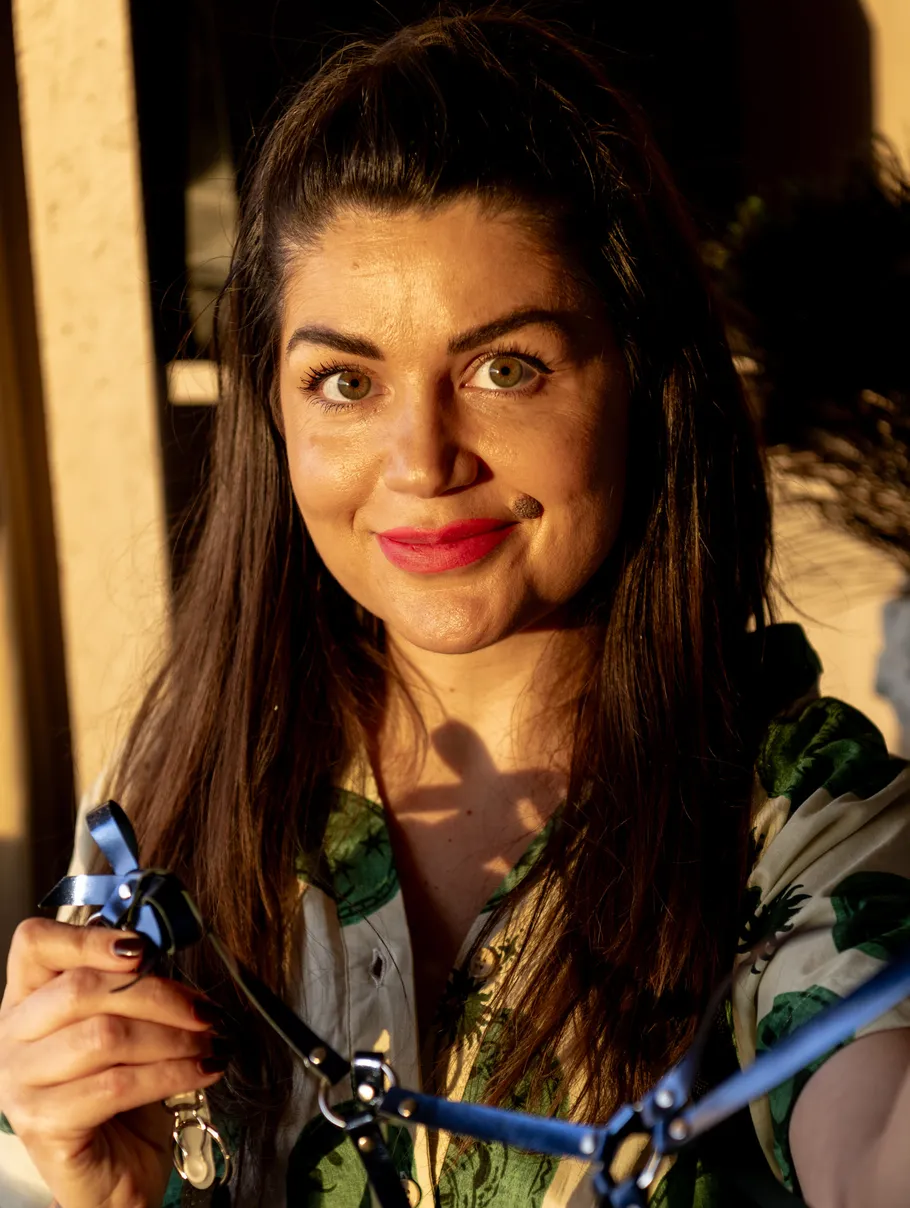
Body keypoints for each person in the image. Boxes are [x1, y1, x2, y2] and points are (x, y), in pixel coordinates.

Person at [2, 9, 910, 1207]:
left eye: (506, 367)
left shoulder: (794, 822)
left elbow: (877, 1132)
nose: (421, 459)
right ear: (275, 416)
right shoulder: (173, 816)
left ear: (642, 382)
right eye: (345, 381)